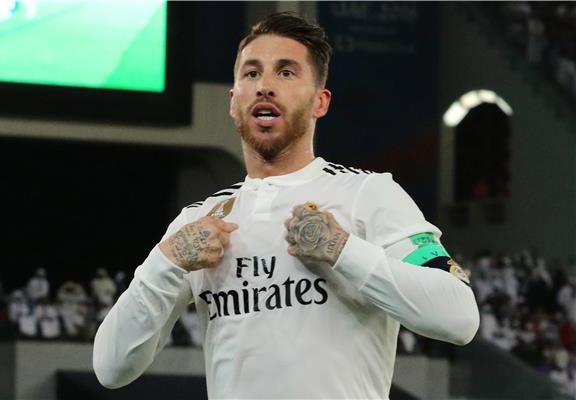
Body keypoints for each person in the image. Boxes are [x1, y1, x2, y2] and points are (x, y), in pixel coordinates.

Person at [93, 12, 479, 399]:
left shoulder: (368, 193)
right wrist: (166, 261)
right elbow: (111, 368)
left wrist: (342, 249)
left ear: (319, 102)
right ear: (233, 102)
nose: (265, 86)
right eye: (251, 73)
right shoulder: (197, 221)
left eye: (286, 72)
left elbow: (459, 317)